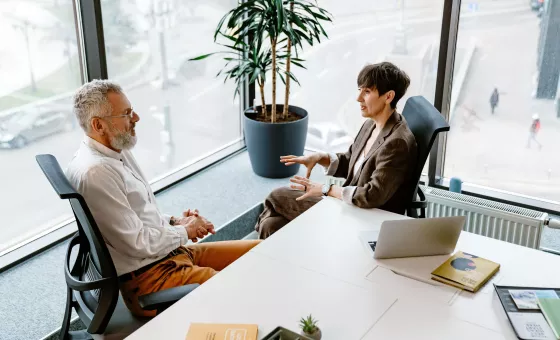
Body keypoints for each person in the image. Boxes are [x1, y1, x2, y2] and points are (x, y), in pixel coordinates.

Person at [66, 80, 260, 317]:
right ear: (99, 125)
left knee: (263, 252)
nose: (136, 117)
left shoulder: (115, 151)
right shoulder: (96, 173)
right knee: (249, 288)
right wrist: (186, 232)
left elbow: (137, 215)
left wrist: (176, 223)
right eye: (126, 114)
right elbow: (137, 243)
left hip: (168, 256)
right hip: (150, 279)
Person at [255, 62, 418, 239]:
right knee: (271, 226)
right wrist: (320, 157)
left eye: (367, 92)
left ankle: (248, 257)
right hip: (347, 204)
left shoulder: (396, 143)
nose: (358, 98)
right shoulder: (371, 124)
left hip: (360, 216)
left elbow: (372, 195)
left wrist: (326, 189)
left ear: (388, 96)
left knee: (277, 195)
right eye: (360, 90)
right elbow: (351, 160)